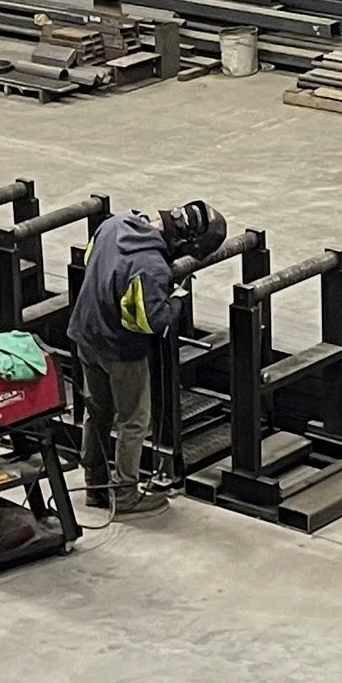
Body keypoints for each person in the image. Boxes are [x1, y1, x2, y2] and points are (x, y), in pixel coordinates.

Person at [67, 202, 226, 515]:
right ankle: (125, 495)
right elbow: (152, 321)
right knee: (134, 421)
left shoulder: (114, 224)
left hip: (85, 335)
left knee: (97, 413)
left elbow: (91, 260)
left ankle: (95, 486)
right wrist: (176, 300)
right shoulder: (151, 266)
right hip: (120, 351)